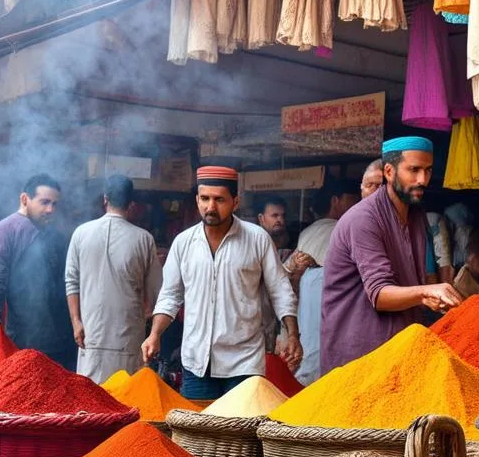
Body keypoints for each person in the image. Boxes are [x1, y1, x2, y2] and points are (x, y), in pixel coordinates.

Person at [141, 166, 302, 401]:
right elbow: (170, 296)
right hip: (197, 364)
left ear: (235, 202)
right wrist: (154, 334)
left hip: (243, 364)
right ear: (197, 200)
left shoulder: (257, 239)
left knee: (239, 436)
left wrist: (293, 335)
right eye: (204, 198)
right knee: (197, 434)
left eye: (219, 199)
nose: (210, 207)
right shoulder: (183, 243)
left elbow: (280, 291)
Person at [319, 137, 462, 375]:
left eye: (427, 171)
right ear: (389, 171)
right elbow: (379, 295)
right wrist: (426, 292)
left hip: (399, 354)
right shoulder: (363, 219)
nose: (422, 180)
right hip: (359, 360)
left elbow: (411, 283)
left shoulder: (415, 214)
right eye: (413, 170)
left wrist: (432, 299)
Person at [65, 175, 163, 382]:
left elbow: (71, 281)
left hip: (89, 335)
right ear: (132, 204)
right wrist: (152, 329)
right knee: (124, 399)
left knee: (91, 400)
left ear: (105, 199)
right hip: (127, 338)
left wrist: (76, 322)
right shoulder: (143, 238)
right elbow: (157, 293)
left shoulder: (80, 233)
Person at [0, 173, 74, 369]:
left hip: (59, 340)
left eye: (54, 204)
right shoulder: (6, 229)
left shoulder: (55, 235)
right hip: (23, 338)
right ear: (25, 199)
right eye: (44, 202)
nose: (50, 209)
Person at [296, 179, 361, 269]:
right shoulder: (348, 231)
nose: (357, 204)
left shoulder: (306, 232)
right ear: (335, 200)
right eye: (353, 199)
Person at [256, 196, 311, 283]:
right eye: (275, 215)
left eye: (283, 215)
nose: (280, 220)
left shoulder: (296, 240)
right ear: (261, 218)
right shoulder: (254, 244)